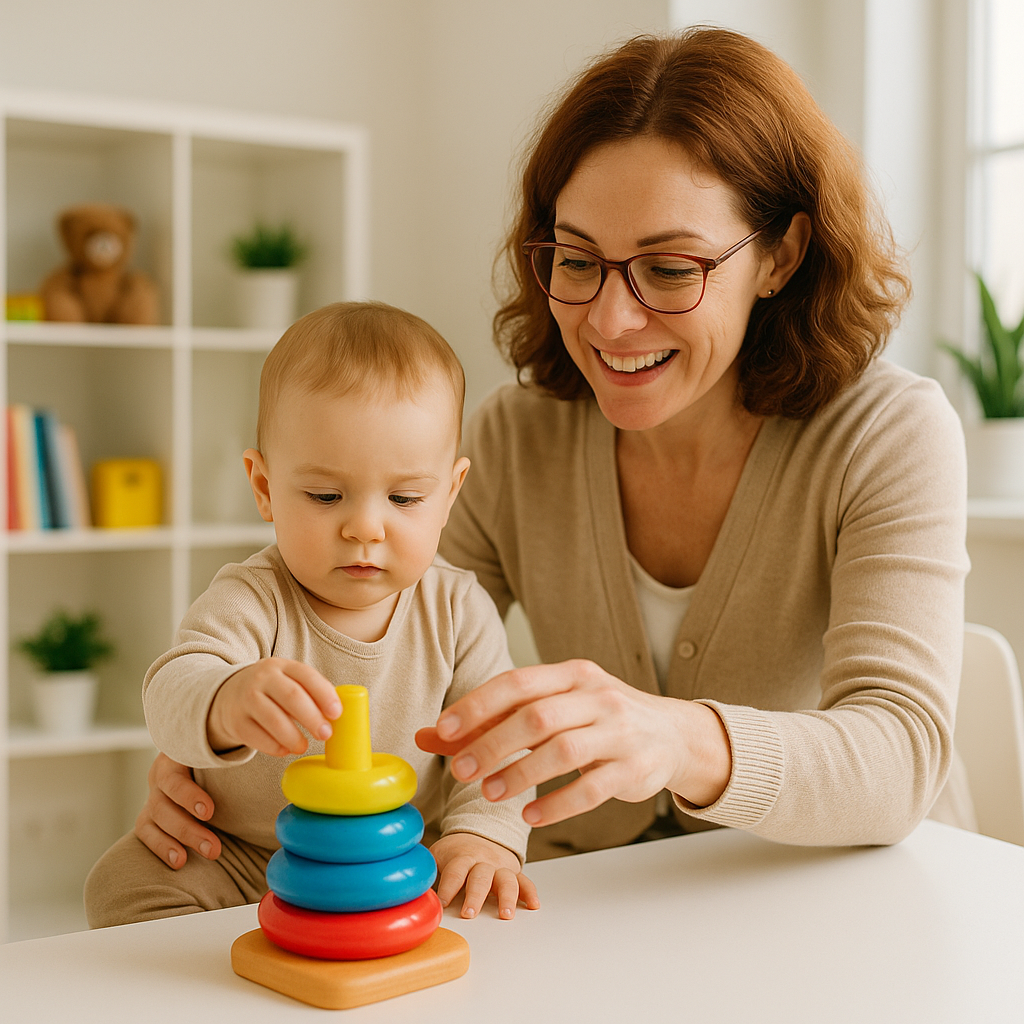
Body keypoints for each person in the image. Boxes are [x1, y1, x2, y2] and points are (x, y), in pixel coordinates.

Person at [131, 27, 974, 867]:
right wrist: (216, 749)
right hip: (595, 890)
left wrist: (679, 739)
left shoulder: (886, 436)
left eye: (671, 269)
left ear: (781, 257)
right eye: (577, 259)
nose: (609, 321)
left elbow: (900, 754)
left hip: (846, 887)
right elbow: (390, 659)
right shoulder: (513, 440)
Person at [84, 301, 539, 926]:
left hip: (395, 856)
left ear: (450, 494)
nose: (364, 527)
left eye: (405, 497)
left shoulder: (459, 609)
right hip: (242, 855)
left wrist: (483, 835)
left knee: (472, 893)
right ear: (265, 487)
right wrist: (224, 699)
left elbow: (500, 742)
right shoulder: (253, 596)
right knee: (120, 880)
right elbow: (170, 691)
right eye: (326, 496)